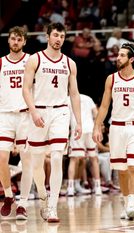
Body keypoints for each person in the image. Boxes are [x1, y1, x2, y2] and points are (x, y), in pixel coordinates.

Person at [22, 22, 82, 223]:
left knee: (57, 157)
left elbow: (74, 94)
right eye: (55, 35)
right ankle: (42, 195)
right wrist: (33, 111)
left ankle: (53, 207)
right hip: (39, 112)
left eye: (62, 36)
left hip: (60, 113)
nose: (59, 39)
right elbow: (25, 89)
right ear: (47, 36)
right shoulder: (35, 59)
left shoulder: (69, 63)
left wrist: (79, 122)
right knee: (37, 162)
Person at [92, 43, 134, 220]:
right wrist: (97, 126)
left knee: (133, 167)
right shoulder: (111, 79)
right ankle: (126, 205)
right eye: (118, 55)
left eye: (122, 55)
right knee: (122, 170)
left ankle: (132, 205)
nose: (118, 58)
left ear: (131, 59)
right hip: (117, 127)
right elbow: (104, 106)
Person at [0, 26, 33, 220]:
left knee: (26, 161)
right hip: (5, 115)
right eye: (13, 39)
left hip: (25, 115)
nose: (16, 42)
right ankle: (9, 196)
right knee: (1, 159)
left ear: (24, 42)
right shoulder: (1, 63)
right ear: (8, 40)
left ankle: (24, 203)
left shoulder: (31, 61)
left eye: (19, 40)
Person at [67, 94, 102, 196]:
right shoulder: (88, 98)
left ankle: (70, 187)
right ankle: (98, 187)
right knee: (93, 158)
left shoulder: (67, 99)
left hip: (77, 129)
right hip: (90, 129)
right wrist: (98, 129)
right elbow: (96, 115)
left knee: (73, 159)